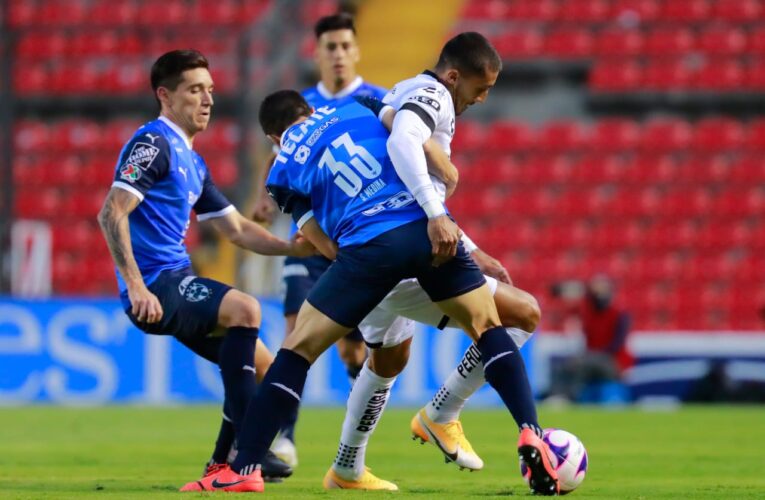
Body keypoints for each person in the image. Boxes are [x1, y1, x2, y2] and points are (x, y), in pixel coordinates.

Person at [188, 84, 558, 494]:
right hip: (422, 230)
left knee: (298, 350)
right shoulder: (356, 106)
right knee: (489, 324)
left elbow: (321, 244)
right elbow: (407, 140)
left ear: (273, 138)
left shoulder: (281, 169)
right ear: (310, 109)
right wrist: (445, 178)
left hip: (367, 252)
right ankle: (529, 429)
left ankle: (247, 470)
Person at [95, 50, 313, 492]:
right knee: (246, 308)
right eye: (195, 90)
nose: (207, 99)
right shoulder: (152, 143)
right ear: (165, 96)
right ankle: (247, 460)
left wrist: (292, 247)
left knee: (266, 365)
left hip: (175, 281)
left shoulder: (193, 161)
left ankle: (219, 468)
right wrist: (136, 286)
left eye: (210, 90)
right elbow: (110, 213)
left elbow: (234, 228)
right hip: (158, 284)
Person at [248, 13, 388, 466]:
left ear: (357, 50)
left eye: (346, 46)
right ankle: (283, 438)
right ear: (318, 53)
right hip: (309, 244)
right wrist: (264, 201)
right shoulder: (298, 105)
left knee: (355, 350)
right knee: (295, 334)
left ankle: (355, 444)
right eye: (331, 47)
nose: (339, 55)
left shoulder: (376, 101)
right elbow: (276, 164)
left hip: (357, 241)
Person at [549, 275, 632, 402]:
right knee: (566, 365)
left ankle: (570, 398)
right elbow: (573, 293)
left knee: (581, 364)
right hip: (592, 359)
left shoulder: (620, 314)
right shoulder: (589, 311)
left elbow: (616, 345)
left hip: (614, 362)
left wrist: (593, 355)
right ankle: (556, 395)